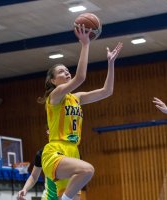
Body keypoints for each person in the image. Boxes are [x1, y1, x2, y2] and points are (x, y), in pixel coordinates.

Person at [38, 24, 123, 200]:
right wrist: (85, 44)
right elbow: (81, 77)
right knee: (87, 169)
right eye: (62, 72)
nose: (66, 73)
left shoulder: (76, 98)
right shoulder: (55, 96)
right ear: (53, 81)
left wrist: (111, 64)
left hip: (73, 151)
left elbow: (107, 92)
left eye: (67, 70)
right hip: (55, 151)